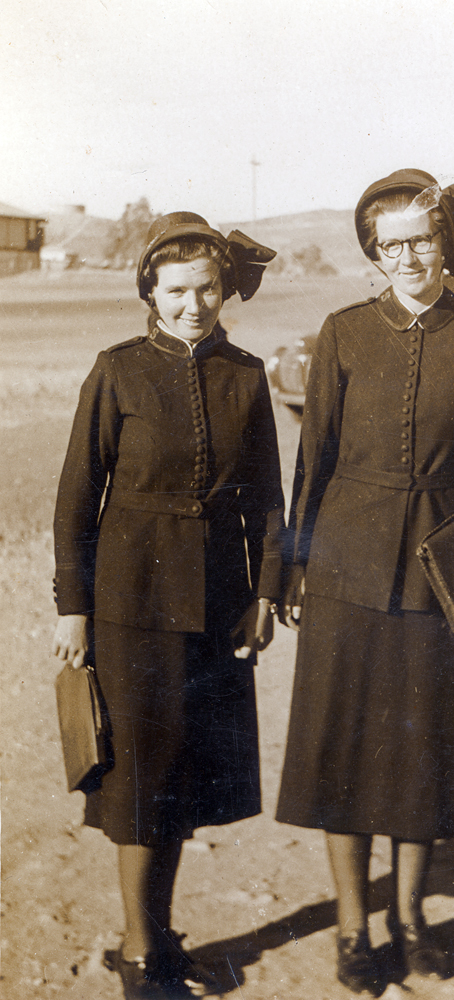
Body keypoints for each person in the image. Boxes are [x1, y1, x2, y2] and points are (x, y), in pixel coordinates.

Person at [276, 169, 454, 993]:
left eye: (419, 240)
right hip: (345, 567)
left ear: (445, 243)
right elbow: (311, 458)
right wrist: (290, 565)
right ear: (372, 253)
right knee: (342, 750)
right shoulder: (343, 332)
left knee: (424, 748)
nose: (406, 258)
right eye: (388, 245)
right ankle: (355, 929)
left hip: (442, 567)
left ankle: (411, 918)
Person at [52, 213, 284, 999]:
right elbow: (75, 500)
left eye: (208, 289)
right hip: (130, 603)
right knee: (138, 775)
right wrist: (72, 608)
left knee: (184, 773)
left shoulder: (247, 375)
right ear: (150, 290)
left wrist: (265, 596)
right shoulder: (115, 371)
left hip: (218, 601)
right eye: (178, 291)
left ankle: (157, 927)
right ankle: (140, 947)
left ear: (224, 290)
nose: (194, 305)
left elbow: (269, 506)